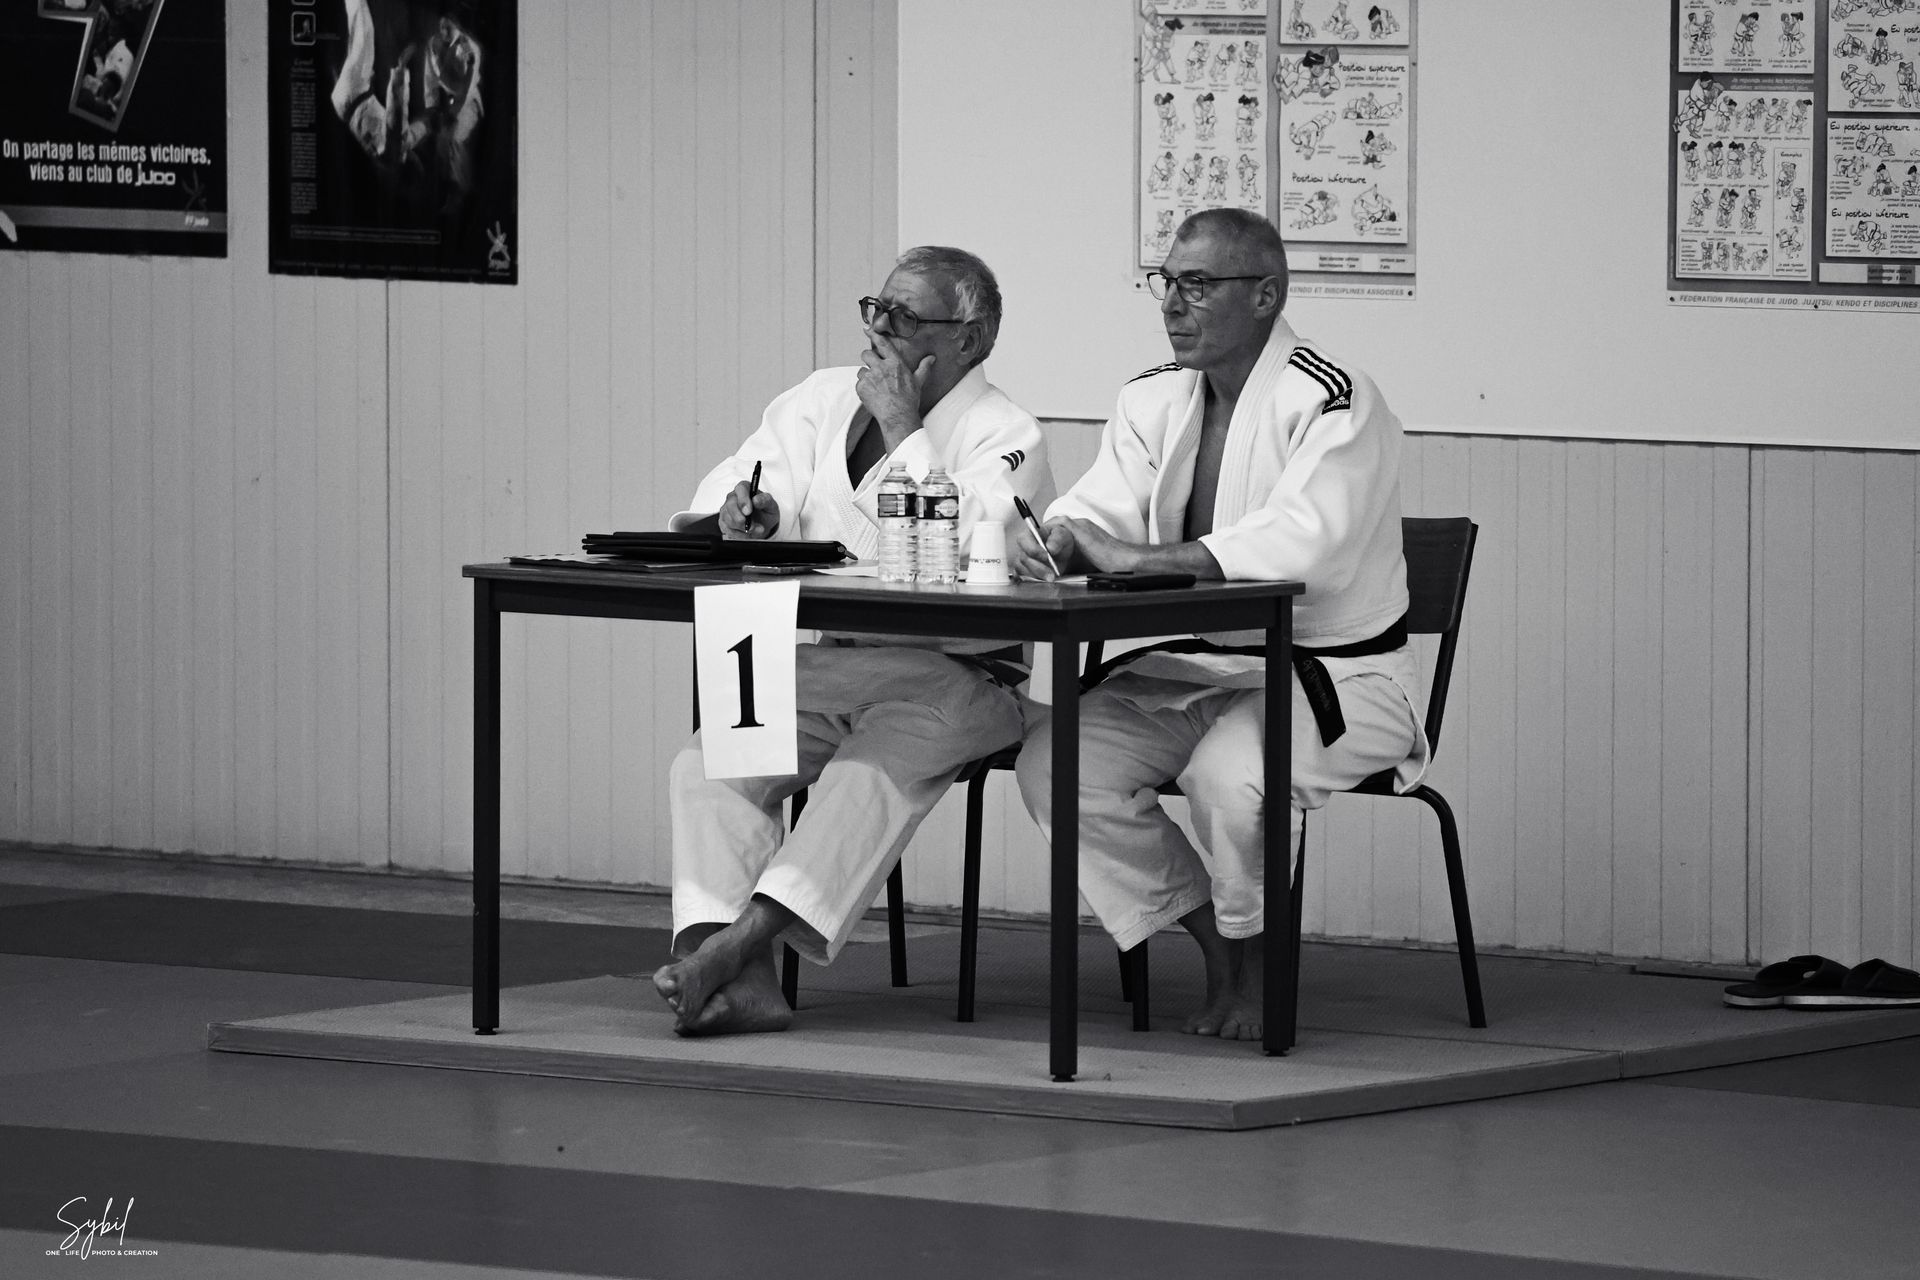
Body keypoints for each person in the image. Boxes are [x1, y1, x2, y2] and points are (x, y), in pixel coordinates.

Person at [1008, 209, 1426, 1042]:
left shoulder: (1333, 399)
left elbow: (1307, 546)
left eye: (1198, 285)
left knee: (1231, 776)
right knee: (1055, 762)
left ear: (1265, 295)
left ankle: (1260, 966)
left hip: (1340, 677)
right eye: (1167, 282)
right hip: (1206, 672)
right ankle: (1220, 945)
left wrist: (1133, 558)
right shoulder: (1152, 397)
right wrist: (1057, 535)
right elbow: (1101, 510)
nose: (1173, 303)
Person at [652, 246, 1054, 1036]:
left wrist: (904, 427)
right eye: (876, 307)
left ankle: (732, 950)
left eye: (904, 316)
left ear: (969, 339)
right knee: (708, 760)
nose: (878, 328)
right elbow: (746, 482)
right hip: (836, 663)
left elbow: (961, 543)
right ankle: (740, 976)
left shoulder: (1009, 434)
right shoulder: (821, 397)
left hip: (961, 677)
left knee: (861, 776)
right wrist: (748, 516)